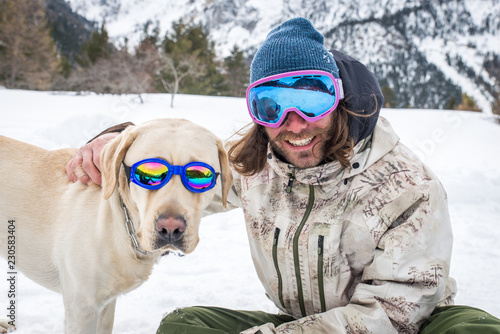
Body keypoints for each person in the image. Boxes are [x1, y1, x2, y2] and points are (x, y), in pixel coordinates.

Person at [67, 17, 500, 334]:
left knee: (476, 331)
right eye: (272, 106)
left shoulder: (406, 187)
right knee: (186, 326)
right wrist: (118, 140)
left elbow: (396, 314)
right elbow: (187, 167)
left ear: (339, 99)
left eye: (310, 101)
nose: (294, 125)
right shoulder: (259, 166)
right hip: (306, 324)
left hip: (410, 328)